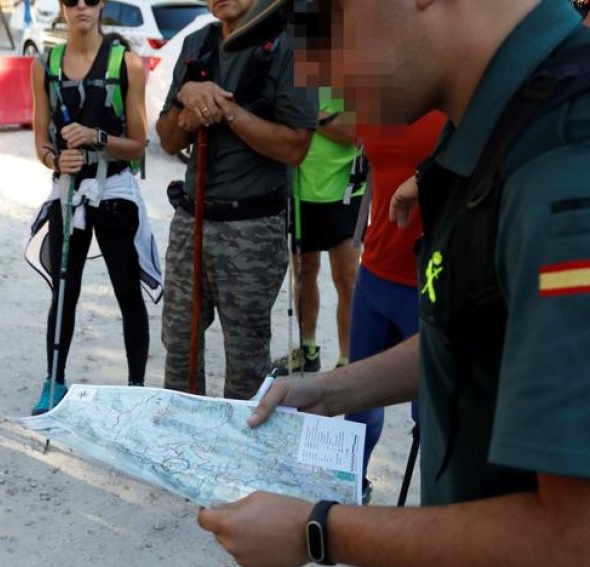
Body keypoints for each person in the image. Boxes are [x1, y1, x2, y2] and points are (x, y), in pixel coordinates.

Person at [198, 0, 590, 567]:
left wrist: (319, 529)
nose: (310, 67)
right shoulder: (516, 118)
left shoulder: (582, 167)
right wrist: (332, 388)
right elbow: (496, 325)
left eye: (323, 22)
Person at [156, 0, 316, 400]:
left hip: (252, 228)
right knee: (179, 344)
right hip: (191, 220)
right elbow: (169, 139)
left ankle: (237, 455)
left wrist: (224, 108)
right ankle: (181, 446)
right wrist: (185, 99)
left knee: (245, 358)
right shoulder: (195, 45)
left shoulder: (290, 48)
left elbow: (295, 147)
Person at [26, 0, 158, 414]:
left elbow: (138, 145)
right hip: (69, 190)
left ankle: (136, 387)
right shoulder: (45, 64)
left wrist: (96, 137)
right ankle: (54, 380)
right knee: (64, 290)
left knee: (126, 292)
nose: (81, 5)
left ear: (103, 4)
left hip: (114, 189)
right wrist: (54, 159)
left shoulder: (127, 64)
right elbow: (42, 142)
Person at [340, 110, 444, 499]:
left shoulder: (456, 99)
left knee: (431, 417)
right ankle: (349, 488)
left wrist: (422, 178)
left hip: (429, 281)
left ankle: (439, 515)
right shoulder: (375, 94)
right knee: (358, 396)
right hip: (375, 269)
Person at [270, 87, 362, 375]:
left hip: (346, 188)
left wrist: (307, 117)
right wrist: (324, 119)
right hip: (300, 188)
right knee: (304, 273)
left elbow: (355, 130)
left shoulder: (354, 67)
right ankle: (307, 349)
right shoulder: (297, 69)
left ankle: (349, 359)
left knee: (347, 279)